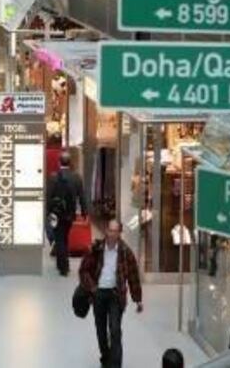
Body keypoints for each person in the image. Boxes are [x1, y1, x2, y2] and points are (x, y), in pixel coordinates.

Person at [79, 219, 143, 368]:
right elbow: (83, 270)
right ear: (106, 230)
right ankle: (106, 358)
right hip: (98, 294)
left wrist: (138, 299)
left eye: (116, 231)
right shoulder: (96, 248)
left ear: (120, 233)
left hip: (116, 294)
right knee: (101, 330)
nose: (112, 234)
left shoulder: (126, 252)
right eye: (110, 230)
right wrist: (93, 288)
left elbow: (133, 276)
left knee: (115, 330)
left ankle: (115, 365)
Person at [46, 152, 87, 275]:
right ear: (71, 163)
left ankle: (63, 265)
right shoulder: (76, 177)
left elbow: (49, 196)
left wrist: (47, 211)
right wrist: (85, 211)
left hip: (56, 213)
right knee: (64, 237)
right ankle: (62, 263)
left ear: (59, 162)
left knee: (59, 238)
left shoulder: (53, 177)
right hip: (70, 213)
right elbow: (82, 196)